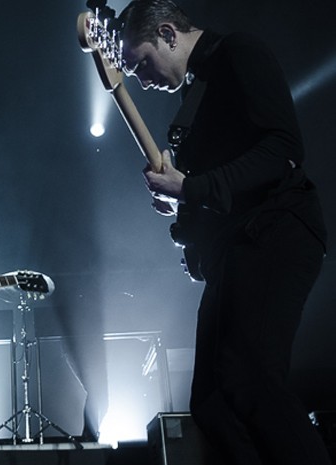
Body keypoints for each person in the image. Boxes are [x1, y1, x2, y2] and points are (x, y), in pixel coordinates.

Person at [118, 1, 331, 464]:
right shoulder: (195, 90)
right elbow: (222, 186)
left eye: (141, 63)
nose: (140, 78)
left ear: (169, 34)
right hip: (236, 247)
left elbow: (283, 148)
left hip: (277, 232)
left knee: (254, 380)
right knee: (212, 402)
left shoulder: (239, 54)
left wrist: (192, 186)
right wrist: (182, 201)